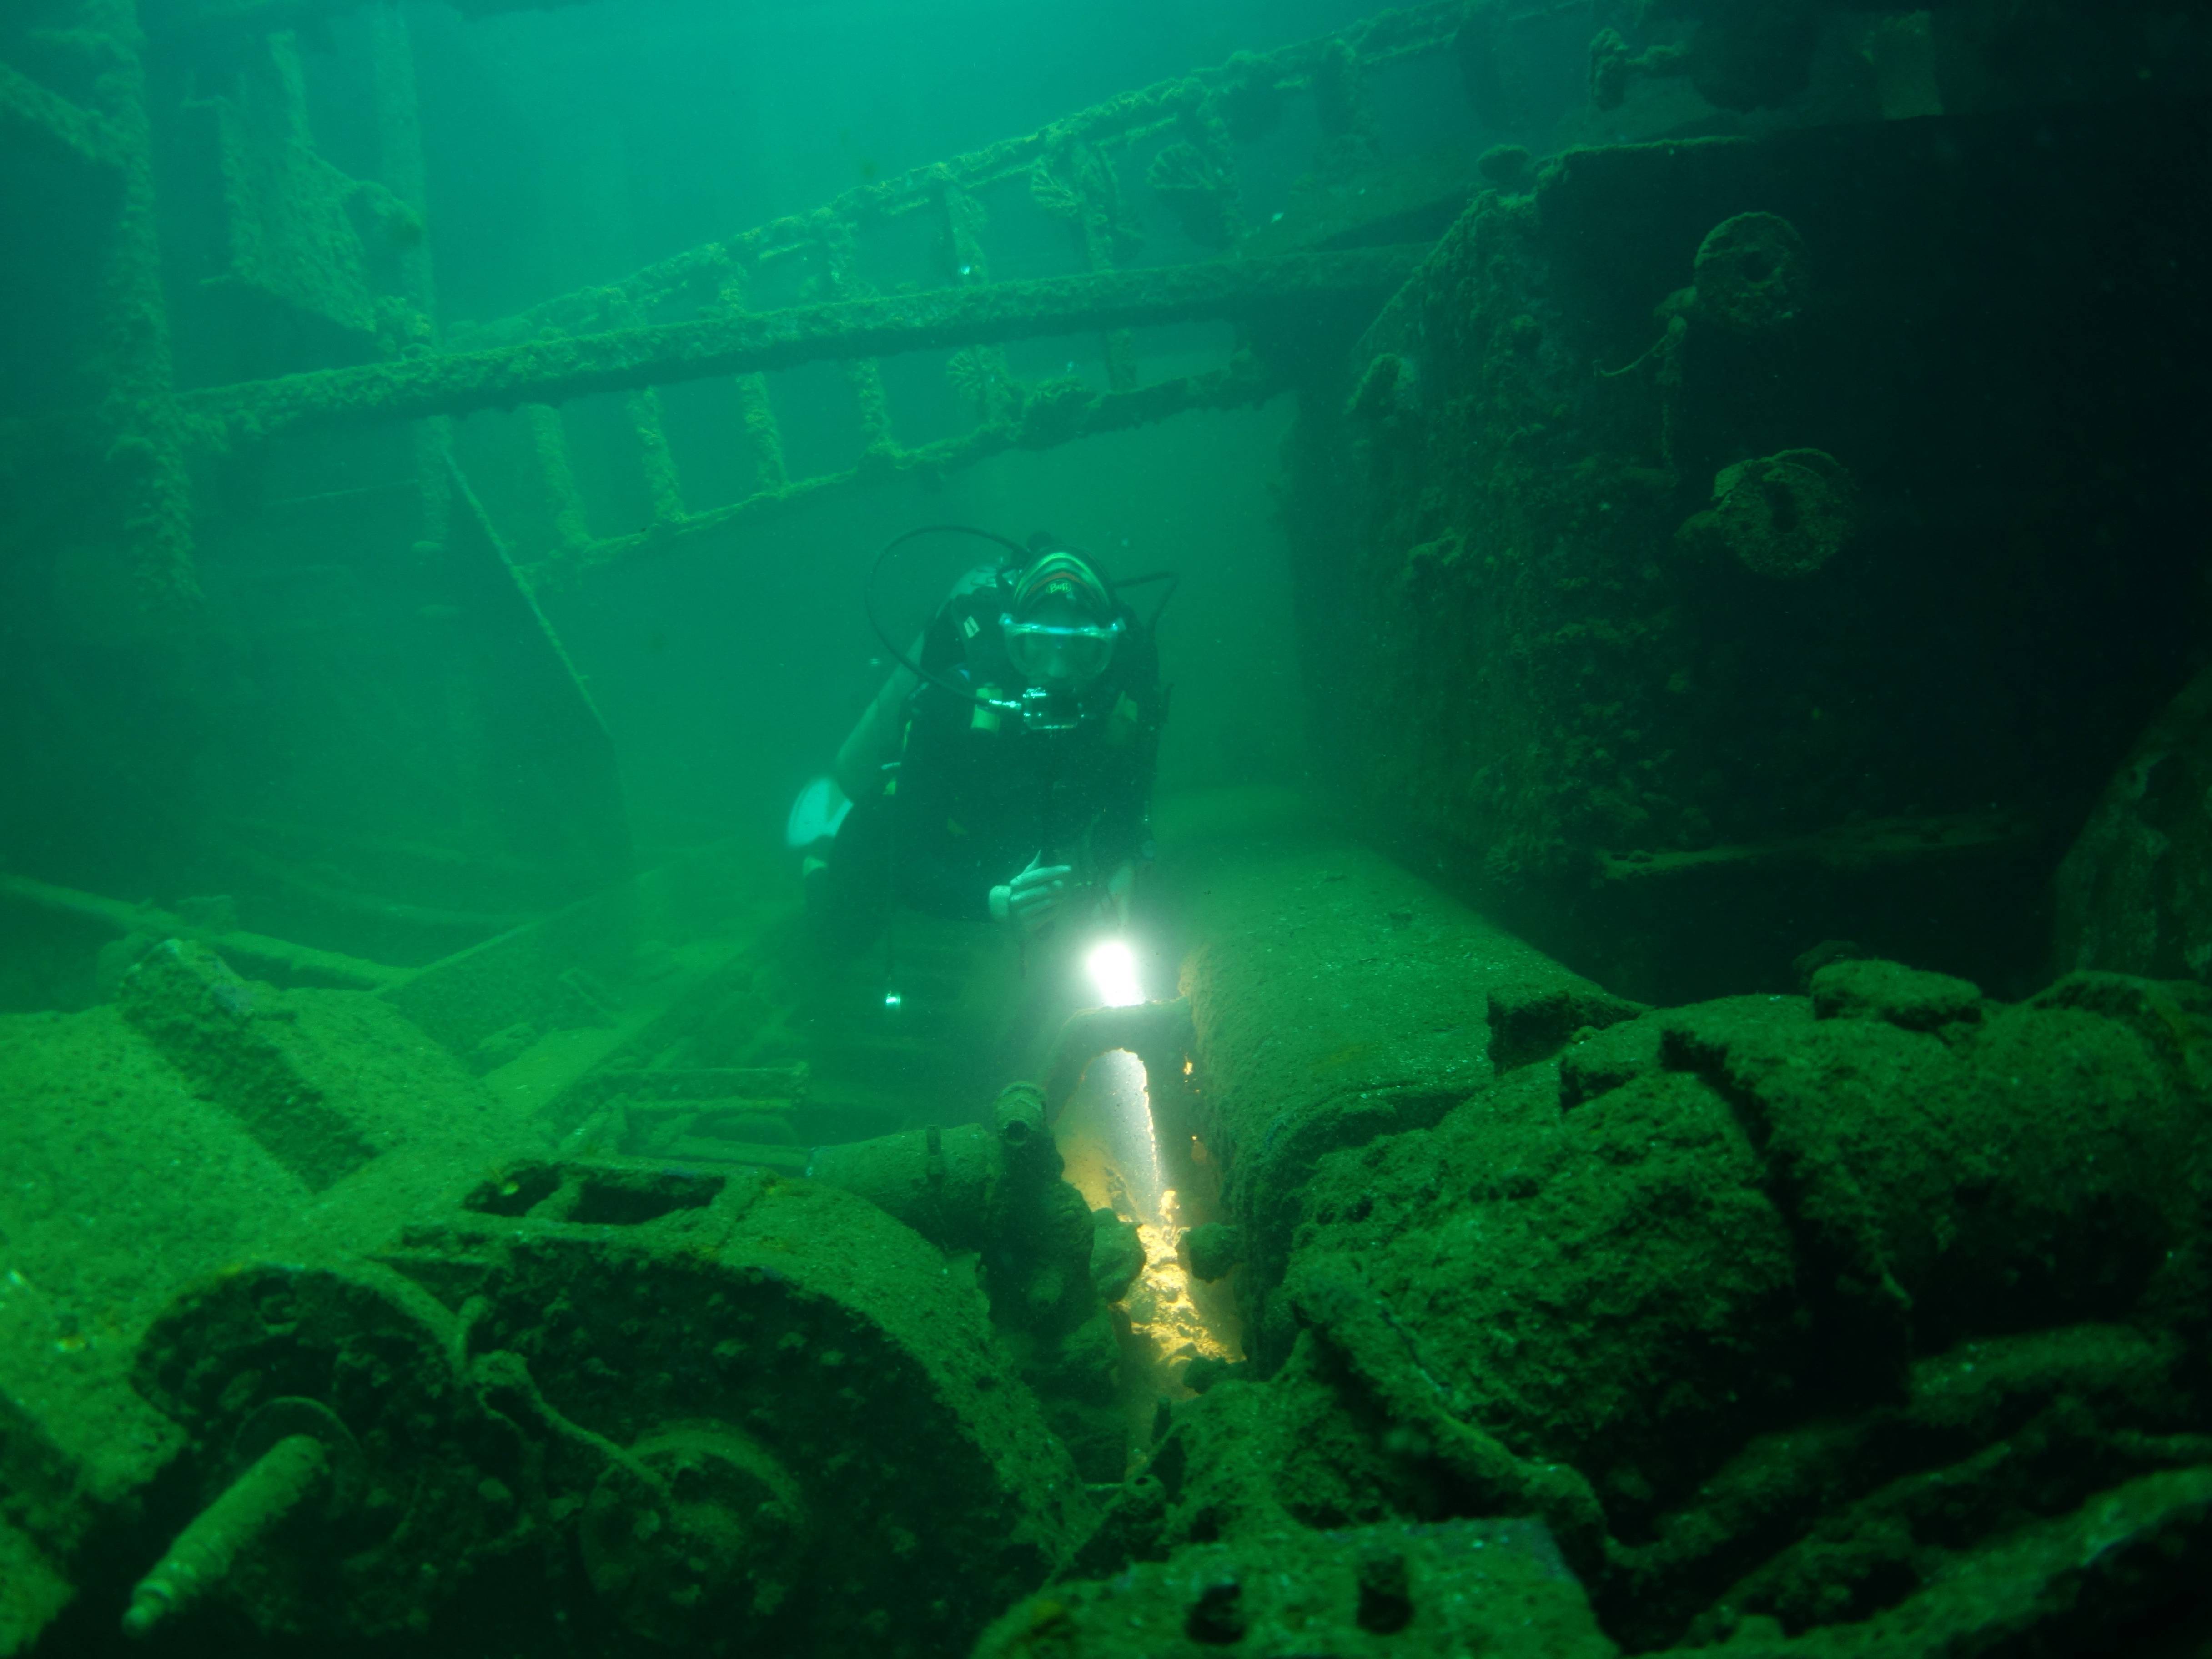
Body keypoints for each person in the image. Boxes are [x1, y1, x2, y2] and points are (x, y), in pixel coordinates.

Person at [789, 533, 1165, 953]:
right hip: (957, 833)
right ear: (1010, 643)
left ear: (1110, 651)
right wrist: (997, 903)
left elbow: (1129, 804)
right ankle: (822, 848)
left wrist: (1122, 866)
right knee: (837, 939)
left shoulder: (1122, 702)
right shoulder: (953, 700)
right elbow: (909, 859)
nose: (1057, 673)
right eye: (1035, 647)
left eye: (1084, 651)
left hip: (1020, 840)